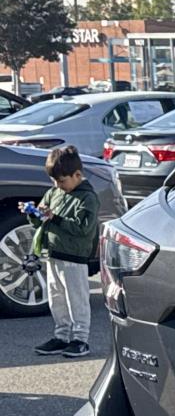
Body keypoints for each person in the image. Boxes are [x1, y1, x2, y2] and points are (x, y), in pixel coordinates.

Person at [22, 144, 99, 358]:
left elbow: (83, 229)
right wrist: (34, 213)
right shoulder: (53, 193)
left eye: (62, 181)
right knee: (57, 298)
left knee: (77, 299)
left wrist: (55, 218)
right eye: (54, 181)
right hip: (53, 254)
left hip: (74, 258)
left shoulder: (88, 198)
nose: (58, 185)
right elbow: (41, 222)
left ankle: (80, 339)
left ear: (77, 175)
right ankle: (61, 336)